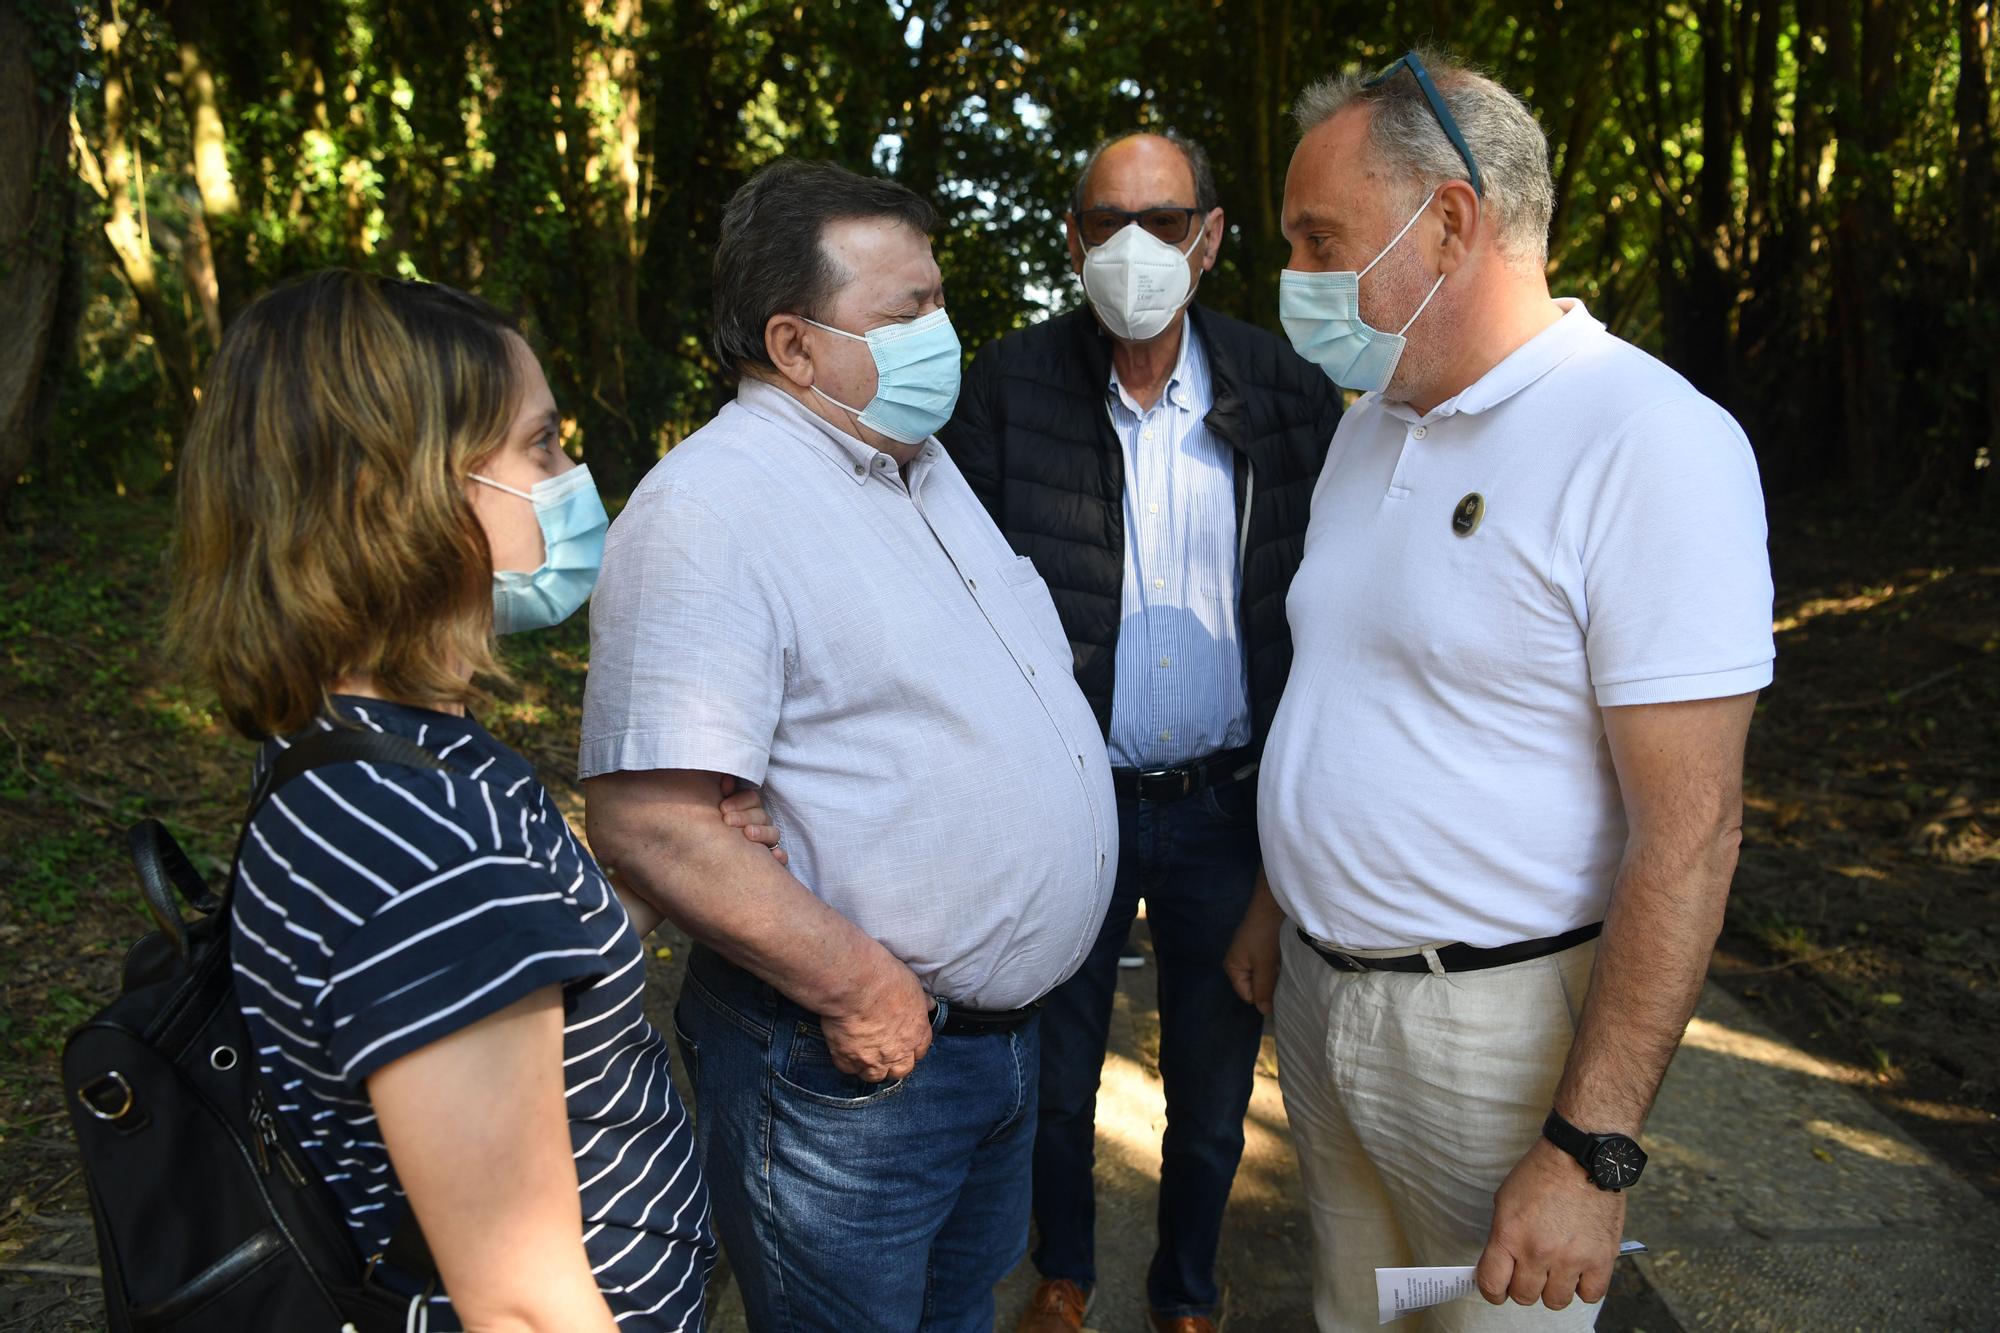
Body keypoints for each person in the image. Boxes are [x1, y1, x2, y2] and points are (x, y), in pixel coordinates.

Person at [1224, 51, 1776, 1330]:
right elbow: (1353, 686)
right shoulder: (1372, 421)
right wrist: (1279, 897)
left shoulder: (1647, 439)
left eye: (1320, 237)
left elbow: (1691, 835)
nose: (1295, 276)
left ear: (1452, 220)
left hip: (1496, 1039)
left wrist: (1590, 1153)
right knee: (1353, 1311)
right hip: (1318, 997)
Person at [168, 270, 782, 1332]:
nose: (572, 477)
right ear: (393, 492)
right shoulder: (419, 842)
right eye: (541, 445)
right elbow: (520, 1302)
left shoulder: (364, 752)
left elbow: (479, 995)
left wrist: (627, 899)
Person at [578, 159, 1118, 1332]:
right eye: (907, 311)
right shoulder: (710, 510)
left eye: (939, 299)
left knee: (955, 1315)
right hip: (849, 1066)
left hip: (982, 1049)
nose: (943, 332)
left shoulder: (913, 468)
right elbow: (650, 818)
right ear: (793, 343)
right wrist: (860, 984)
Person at [942, 132, 1339, 1333]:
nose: (1133, 247)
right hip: (1071, 803)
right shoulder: (1003, 388)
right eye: (1105, 219)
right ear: (1069, 239)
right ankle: (1061, 1276)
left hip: (1226, 807)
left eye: (1162, 221)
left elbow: (1331, 604)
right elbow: (950, 597)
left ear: (1209, 238)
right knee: (1056, 1079)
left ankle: (1188, 1295)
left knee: (1214, 1095)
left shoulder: (1286, 392)